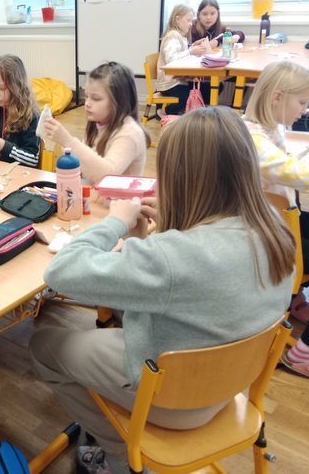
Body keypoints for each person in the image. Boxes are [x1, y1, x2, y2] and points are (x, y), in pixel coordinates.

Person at [29, 106, 295, 474]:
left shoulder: (173, 257)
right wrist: (167, 228)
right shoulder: (275, 227)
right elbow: (195, 278)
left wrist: (115, 223)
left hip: (178, 402)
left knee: (43, 346)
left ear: (178, 177)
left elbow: (61, 272)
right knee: (123, 314)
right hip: (231, 385)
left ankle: (119, 454)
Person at [243, 60, 309, 384]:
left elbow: (289, 165)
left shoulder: (269, 129)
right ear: (277, 97)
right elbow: (298, 174)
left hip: (281, 221)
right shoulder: (250, 138)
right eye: (302, 102)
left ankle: (293, 298)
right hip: (266, 235)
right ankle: (304, 353)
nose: (304, 111)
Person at [40, 62, 149, 184]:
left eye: (96, 98)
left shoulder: (130, 133)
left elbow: (107, 176)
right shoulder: (98, 124)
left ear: (118, 102)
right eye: (86, 96)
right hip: (94, 194)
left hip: (118, 196)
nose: (87, 103)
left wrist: (68, 141)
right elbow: (86, 168)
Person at [156, 4, 212, 115]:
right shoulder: (172, 36)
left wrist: (192, 47)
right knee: (191, 96)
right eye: (188, 20)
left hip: (178, 81)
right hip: (169, 83)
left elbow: (180, 53)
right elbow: (172, 60)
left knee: (207, 89)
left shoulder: (179, 36)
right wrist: (191, 51)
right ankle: (164, 112)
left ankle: (193, 115)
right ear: (177, 19)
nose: (191, 24)